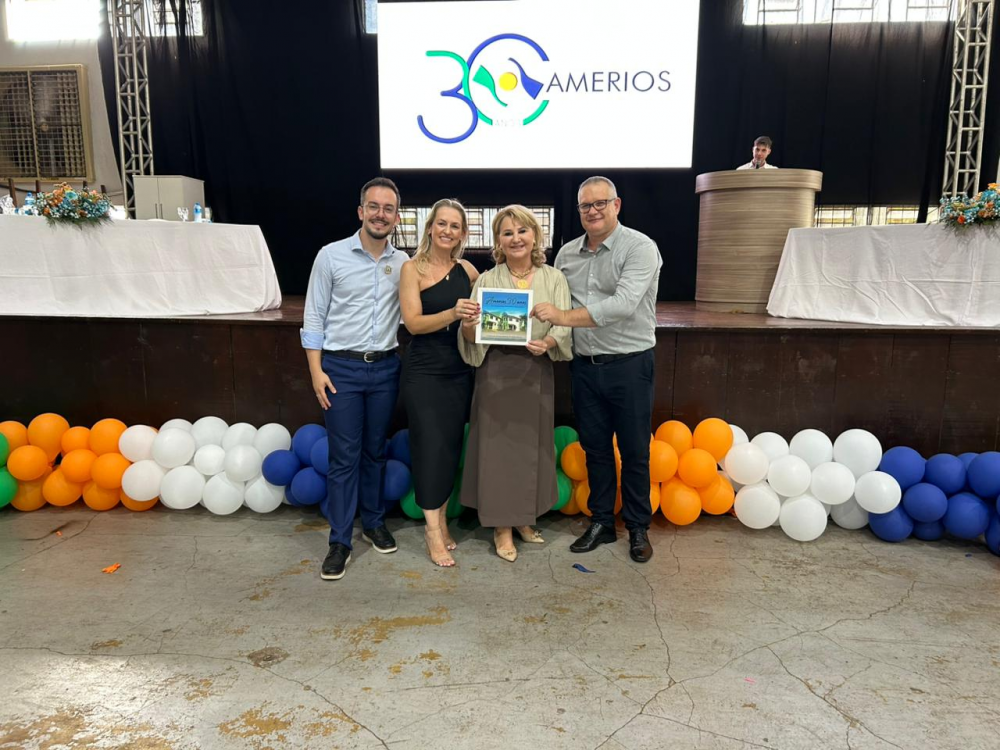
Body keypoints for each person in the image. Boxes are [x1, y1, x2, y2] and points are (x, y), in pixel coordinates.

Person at [531, 176, 662, 563]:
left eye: (600, 203)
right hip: (585, 367)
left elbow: (622, 305)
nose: (592, 211)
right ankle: (602, 522)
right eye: (585, 205)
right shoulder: (566, 254)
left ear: (616, 205)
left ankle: (637, 527)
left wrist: (561, 316)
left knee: (635, 451)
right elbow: (550, 298)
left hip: (630, 365)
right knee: (596, 449)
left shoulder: (640, 247)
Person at [301, 177, 408, 581]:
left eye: (388, 208)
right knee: (344, 457)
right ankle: (340, 542)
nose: (381, 214)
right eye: (374, 207)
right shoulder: (330, 256)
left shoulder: (404, 263)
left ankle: (374, 523)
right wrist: (316, 371)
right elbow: (313, 317)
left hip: (385, 368)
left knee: (375, 452)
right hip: (340, 369)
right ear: (361, 211)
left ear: (396, 217)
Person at [458, 205, 572, 562]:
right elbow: (472, 335)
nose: (516, 238)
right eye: (507, 233)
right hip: (495, 372)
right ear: (498, 241)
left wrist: (549, 341)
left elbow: (564, 325)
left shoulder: (554, 278)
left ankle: (523, 518)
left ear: (535, 235)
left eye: (522, 231)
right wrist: (467, 326)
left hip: (536, 370)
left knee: (530, 449)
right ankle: (501, 526)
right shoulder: (487, 281)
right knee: (497, 451)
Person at [399, 199, 480, 567]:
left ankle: (442, 522)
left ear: (462, 234)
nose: (448, 231)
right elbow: (413, 323)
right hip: (424, 373)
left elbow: (491, 303)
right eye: (442, 223)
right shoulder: (411, 268)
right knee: (430, 448)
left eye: (455, 226)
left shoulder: (468, 270)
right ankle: (432, 531)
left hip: (460, 370)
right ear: (430, 227)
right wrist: (452, 313)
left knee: (448, 449)